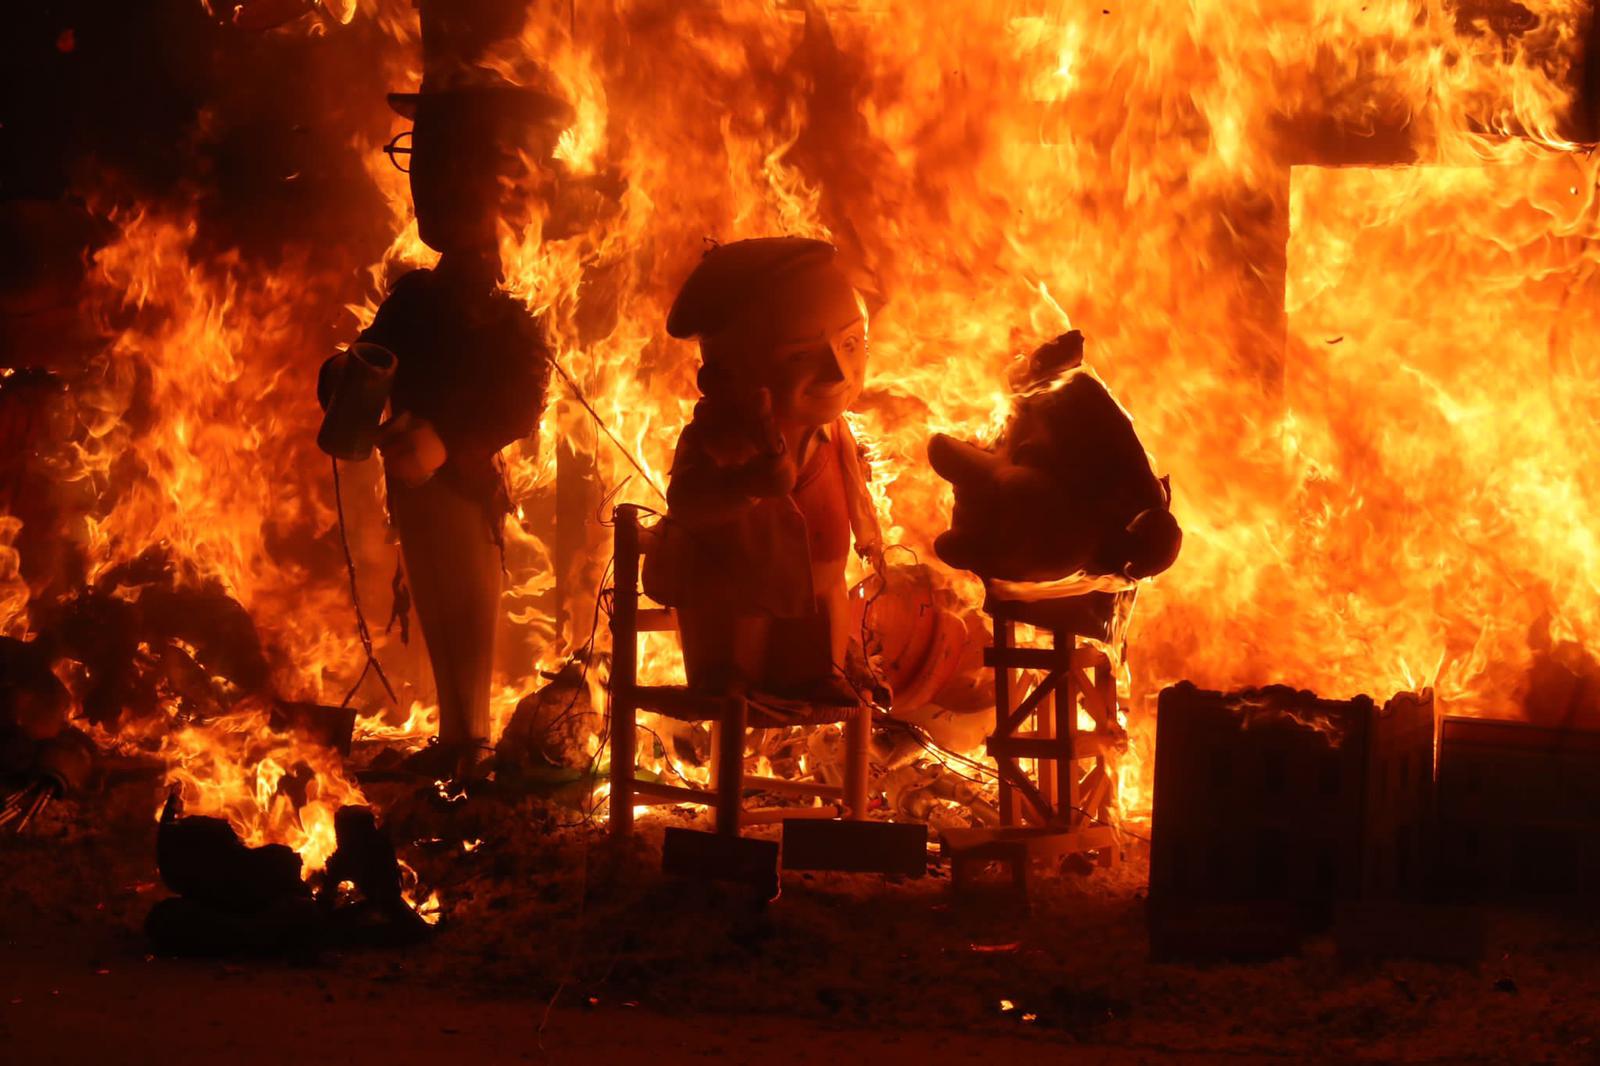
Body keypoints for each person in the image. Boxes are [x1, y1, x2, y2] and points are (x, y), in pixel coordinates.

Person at [322, 76, 568, 778]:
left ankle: (472, 736)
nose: (432, 181)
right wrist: (346, 379)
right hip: (412, 478)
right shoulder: (415, 297)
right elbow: (378, 352)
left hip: (459, 482)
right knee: (432, 593)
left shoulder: (513, 306)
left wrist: (450, 443)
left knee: (465, 601)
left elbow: (519, 401)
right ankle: (457, 737)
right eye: (424, 158)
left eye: (454, 158)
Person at [644, 238, 883, 704]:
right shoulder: (719, 439)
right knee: (747, 620)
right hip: (743, 587)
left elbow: (853, 485)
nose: (838, 372)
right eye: (801, 356)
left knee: (826, 612)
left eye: (850, 343)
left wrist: (867, 533)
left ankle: (824, 671)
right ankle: (735, 674)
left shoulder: (836, 433)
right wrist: (747, 489)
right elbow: (689, 503)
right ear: (729, 373)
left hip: (821, 583)